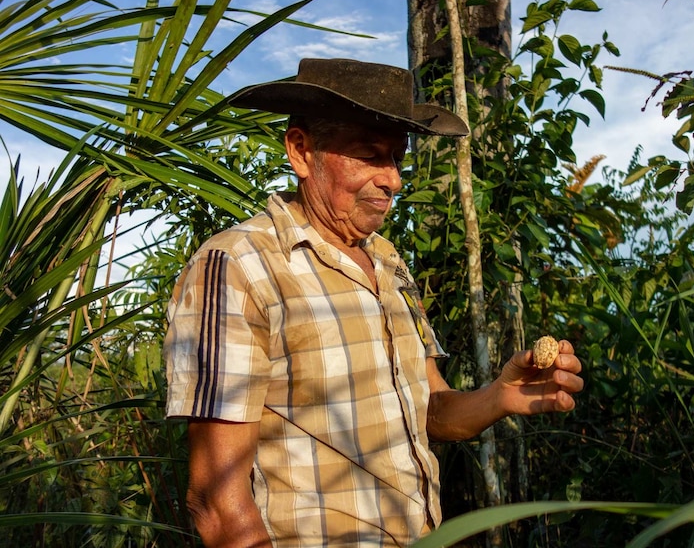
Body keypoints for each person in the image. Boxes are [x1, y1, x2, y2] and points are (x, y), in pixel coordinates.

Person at [163, 57, 585, 548]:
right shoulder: (239, 266)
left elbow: (429, 411)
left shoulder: (386, 261)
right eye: (369, 155)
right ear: (301, 152)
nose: (394, 180)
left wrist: (500, 395)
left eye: (397, 158)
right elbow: (217, 501)